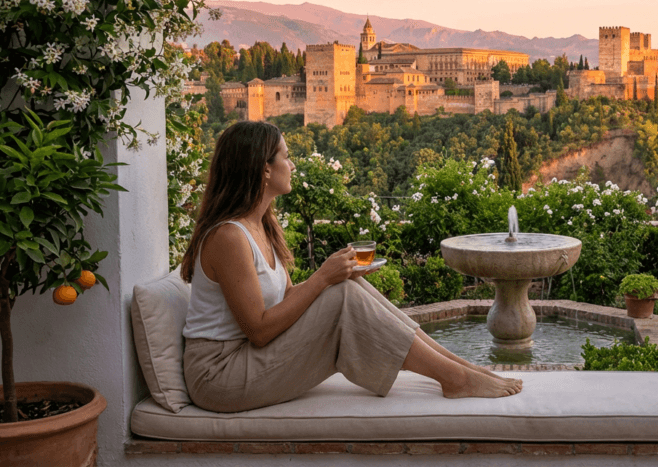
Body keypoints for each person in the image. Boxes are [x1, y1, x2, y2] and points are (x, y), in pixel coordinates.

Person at [179, 121, 521, 413]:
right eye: (287, 156)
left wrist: (335, 277)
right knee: (338, 291)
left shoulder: (261, 226)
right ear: (264, 169)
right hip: (220, 375)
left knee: (348, 286)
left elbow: (283, 301)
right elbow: (259, 329)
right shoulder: (228, 237)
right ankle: (456, 378)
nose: (293, 165)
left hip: (249, 358)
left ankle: (461, 369)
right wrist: (323, 277)